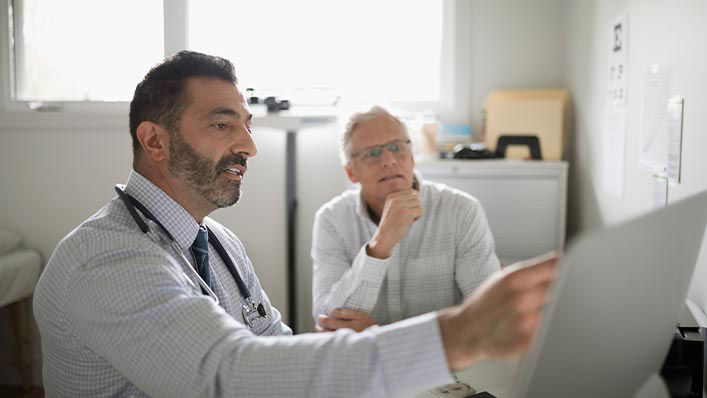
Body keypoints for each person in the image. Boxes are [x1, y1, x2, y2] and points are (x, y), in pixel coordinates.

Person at [34, 51, 558, 397]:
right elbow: (229, 375)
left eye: (246, 125)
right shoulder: (107, 257)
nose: (249, 146)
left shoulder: (218, 243)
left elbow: (276, 345)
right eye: (222, 124)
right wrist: (456, 336)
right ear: (154, 141)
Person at [312, 106, 500, 332]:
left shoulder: (461, 211)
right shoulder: (331, 220)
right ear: (351, 172)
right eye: (372, 153)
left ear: (411, 157)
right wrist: (380, 245)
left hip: (438, 364)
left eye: (396, 147)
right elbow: (328, 319)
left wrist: (381, 336)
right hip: (362, 364)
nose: (389, 160)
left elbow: (490, 315)